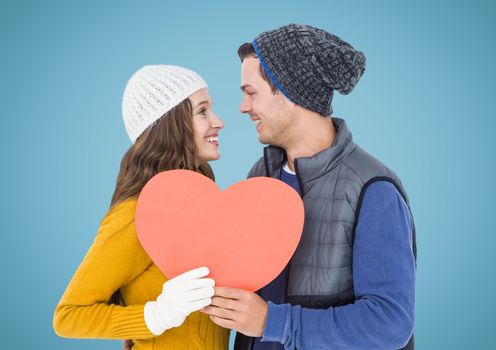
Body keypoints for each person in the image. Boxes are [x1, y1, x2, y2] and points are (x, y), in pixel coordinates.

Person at [200, 24, 417, 350]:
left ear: (289, 91)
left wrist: (271, 322)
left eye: (251, 92)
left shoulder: (373, 190)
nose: (243, 107)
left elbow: (389, 322)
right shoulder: (261, 176)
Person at [53, 65, 229, 350]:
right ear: (171, 124)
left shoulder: (202, 207)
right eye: (202, 111)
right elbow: (69, 316)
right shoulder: (136, 215)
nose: (218, 121)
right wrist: (157, 315)